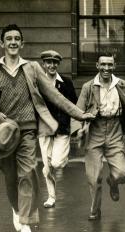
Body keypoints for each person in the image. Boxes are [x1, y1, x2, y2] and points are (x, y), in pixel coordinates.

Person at [0, 24, 94, 232]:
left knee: (27, 173)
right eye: (9, 38)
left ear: (22, 43)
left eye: (17, 38)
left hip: (27, 130)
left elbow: (55, 96)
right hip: (2, 134)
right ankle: (17, 209)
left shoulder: (32, 68)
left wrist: (80, 114)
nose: (13, 42)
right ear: (2, 43)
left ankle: (26, 223)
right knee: (9, 176)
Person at [72, 52, 125, 221]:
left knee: (122, 174)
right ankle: (95, 211)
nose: (106, 68)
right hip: (95, 130)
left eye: (110, 65)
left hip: (115, 131)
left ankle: (113, 182)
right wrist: (78, 130)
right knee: (94, 178)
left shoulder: (122, 85)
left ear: (114, 66)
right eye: (103, 65)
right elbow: (77, 111)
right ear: (97, 66)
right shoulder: (88, 87)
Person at [38, 50, 78, 208]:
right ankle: (51, 197)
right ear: (44, 64)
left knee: (56, 162)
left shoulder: (66, 83)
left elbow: (73, 104)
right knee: (47, 168)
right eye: (48, 62)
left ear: (58, 64)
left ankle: (62, 159)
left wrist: (77, 126)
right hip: (44, 129)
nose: (52, 65)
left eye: (55, 62)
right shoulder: (38, 82)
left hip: (62, 128)